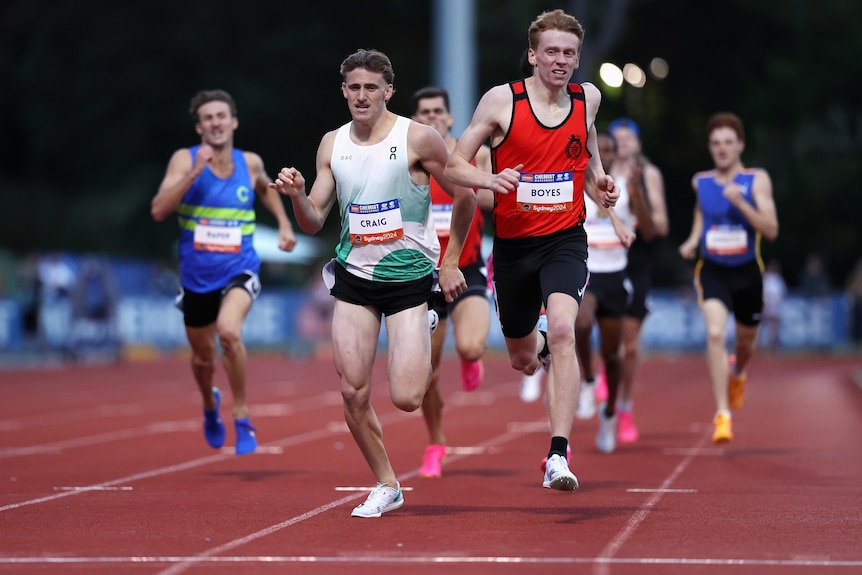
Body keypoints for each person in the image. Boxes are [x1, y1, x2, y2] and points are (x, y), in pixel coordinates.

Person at [269, 49, 476, 517]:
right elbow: (313, 220)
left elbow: (464, 198)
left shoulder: (418, 138)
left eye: (371, 87)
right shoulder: (331, 144)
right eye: (353, 87)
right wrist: (300, 195)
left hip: (409, 280)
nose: (362, 96)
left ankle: (424, 322)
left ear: (388, 90)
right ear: (343, 91)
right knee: (352, 391)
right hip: (354, 279)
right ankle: (387, 483)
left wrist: (451, 261)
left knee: (406, 397)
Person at [445, 9, 623, 491]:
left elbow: (584, 155)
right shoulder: (502, 101)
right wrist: (490, 178)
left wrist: (600, 183)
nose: (561, 61)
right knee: (523, 357)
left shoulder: (589, 99)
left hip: (565, 239)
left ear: (578, 58)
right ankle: (539, 345)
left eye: (569, 53)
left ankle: (558, 457)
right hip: (513, 248)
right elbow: (453, 166)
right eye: (552, 52)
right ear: (533, 54)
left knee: (564, 329)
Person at [152, 89, 297, 456]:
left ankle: (243, 414)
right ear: (199, 127)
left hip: (240, 267)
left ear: (233, 122)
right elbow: (158, 210)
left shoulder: (248, 162)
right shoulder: (184, 161)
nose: (216, 123)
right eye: (208, 118)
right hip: (197, 277)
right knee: (202, 359)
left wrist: (283, 224)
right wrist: (196, 172)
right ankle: (209, 404)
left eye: (221, 116)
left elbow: (266, 188)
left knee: (229, 334)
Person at [679, 111, 779, 444]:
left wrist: (742, 204)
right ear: (710, 147)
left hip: (748, 271)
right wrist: (693, 240)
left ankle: (738, 373)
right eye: (716, 143)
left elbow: (771, 229)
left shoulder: (756, 180)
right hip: (713, 270)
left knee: (746, 343)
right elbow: (700, 214)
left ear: (740, 145)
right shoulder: (701, 181)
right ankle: (723, 414)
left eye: (728, 143)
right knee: (715, 333)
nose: (722, 149)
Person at [410, 86, 493, 478]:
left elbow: (494, 199)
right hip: (422, 274)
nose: (431, 116)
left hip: (466, 266)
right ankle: (436, 441)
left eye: (437, 111)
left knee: (474, 345)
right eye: (423, 111)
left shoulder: (471, 154)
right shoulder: (408, 161)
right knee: (425, 373)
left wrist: (481, 180)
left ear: (449, 118)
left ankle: (469, 357)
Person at [605, 117, 669, 443]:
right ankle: (597, 376)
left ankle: (625, 409)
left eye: (629, 137)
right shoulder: (597, 172)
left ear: (638, 144)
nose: (623, 142)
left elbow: (658, 228)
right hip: (599, 262)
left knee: (628, 346)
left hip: (635, 264)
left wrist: (635, 193)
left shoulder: (649, 175)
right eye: (617, 136)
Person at [574, 132, 637, 453]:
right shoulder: (576, 187)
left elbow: (650, 227)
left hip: (616, 275)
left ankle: (610, 412)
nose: (606, 155)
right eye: (601, 150)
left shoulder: (625, 188)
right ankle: (587, 380)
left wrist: (639, 191)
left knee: (614, 357)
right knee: (581, 324)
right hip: (587, 272)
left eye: (611, 151)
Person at [760, 259, 787, 352]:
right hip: (765, 305)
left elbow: (782, 295)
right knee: (761, 325)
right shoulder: (766, 278)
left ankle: (773, 345)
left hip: (774, 306)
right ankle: (759, 345)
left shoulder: (778, 280)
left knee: (774, 326)